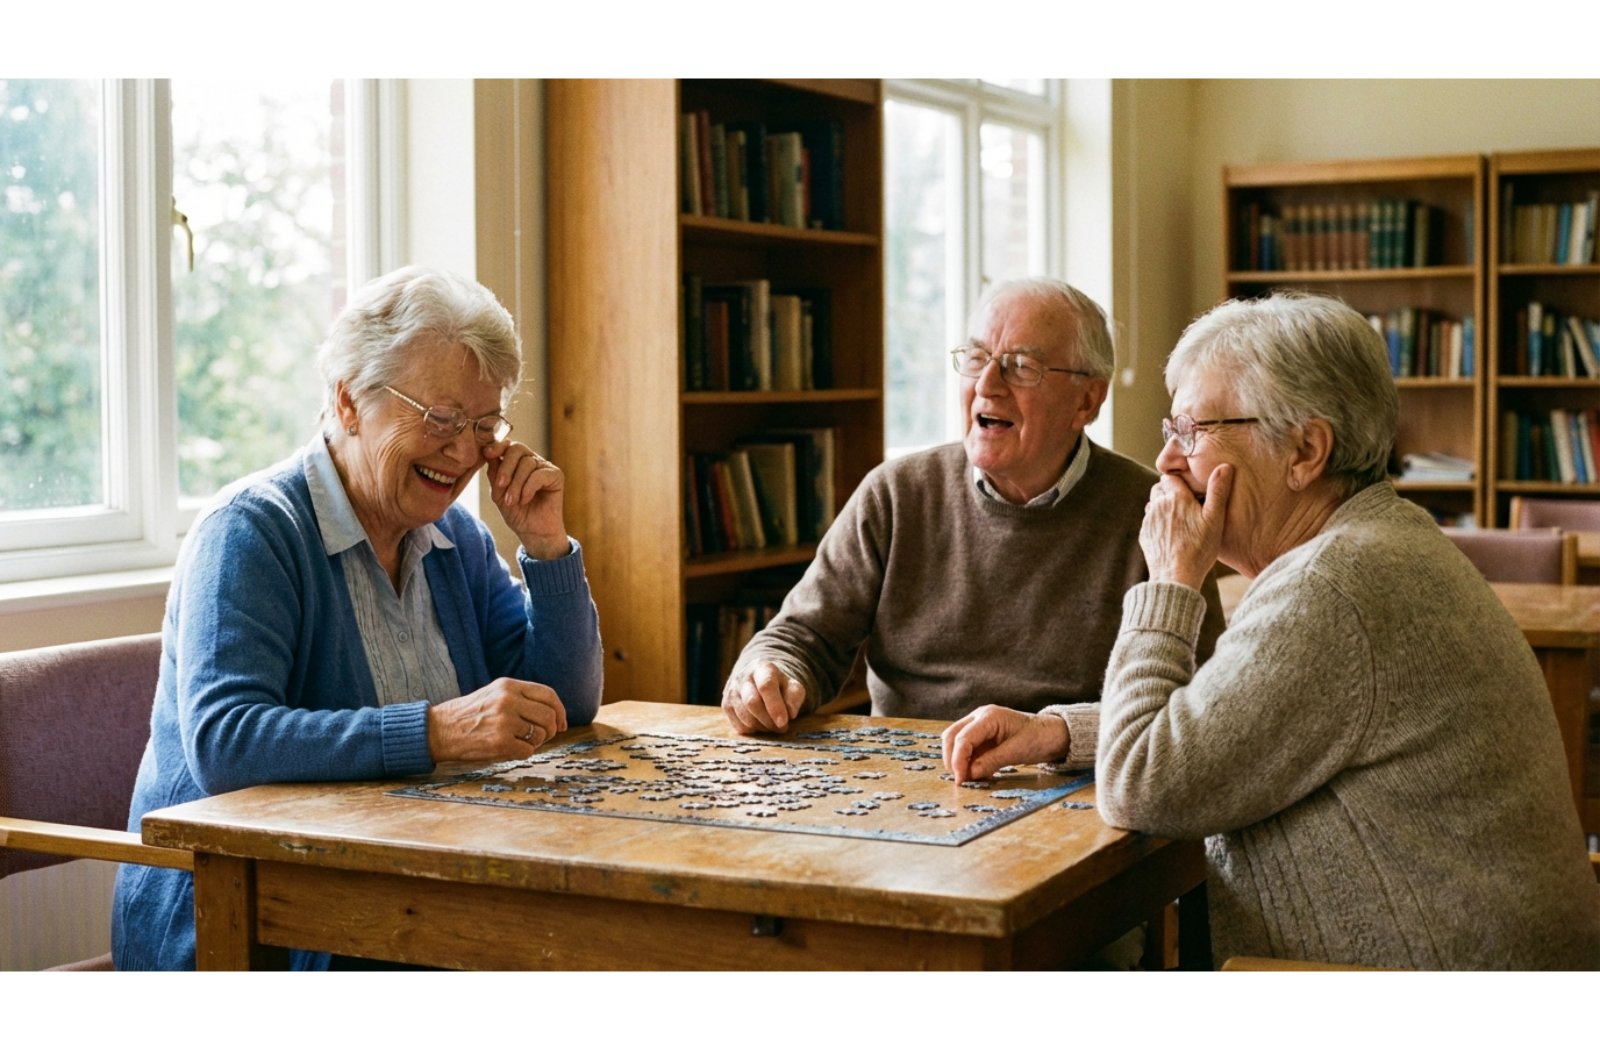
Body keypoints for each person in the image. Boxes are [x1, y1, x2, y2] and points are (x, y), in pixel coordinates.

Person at [953, 291, 1600, 968]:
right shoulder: (1371, 542)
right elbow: (1237, 720)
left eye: (1193, 433)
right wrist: (1058, 732)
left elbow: (1138, 785)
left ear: (1305, 450)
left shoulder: (1334, 585)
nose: (1168, 462)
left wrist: (1170, 579)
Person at [113, 267, 604, 971]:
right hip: (246, 922)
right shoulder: (251, 530)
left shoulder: (453, 540)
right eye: (440, 419)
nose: (465, 454)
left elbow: (569, 705)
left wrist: (548, 547)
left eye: (484, 425)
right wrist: (436, 732)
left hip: (404, 897)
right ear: (348, 401)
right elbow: (227, 743)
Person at [723, 278, 1225, 768]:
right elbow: (802, 639)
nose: (987, 384)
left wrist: (1056, 736)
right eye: (977, 358)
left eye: (1020, 366)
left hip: (1074, 791)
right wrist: (767, 675)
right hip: (906, 789)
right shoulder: (896, 494)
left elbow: (1198, 708)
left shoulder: (1158, 516)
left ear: (1087, 401)